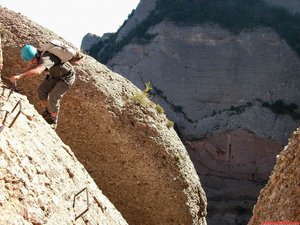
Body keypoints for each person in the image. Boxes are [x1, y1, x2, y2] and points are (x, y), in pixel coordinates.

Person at [10, 44, 76, 129]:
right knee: (41, 90)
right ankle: (48, 112)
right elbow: (31, 66)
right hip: (55, 74)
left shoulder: (46, 59)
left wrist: (20, 76)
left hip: (67, 77)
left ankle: (53, 120)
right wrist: (19, 75)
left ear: (36, 55)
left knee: (53, 96)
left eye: (32, 60)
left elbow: (38, 71)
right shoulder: (39, 56)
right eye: (31, 61)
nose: (32, 63)